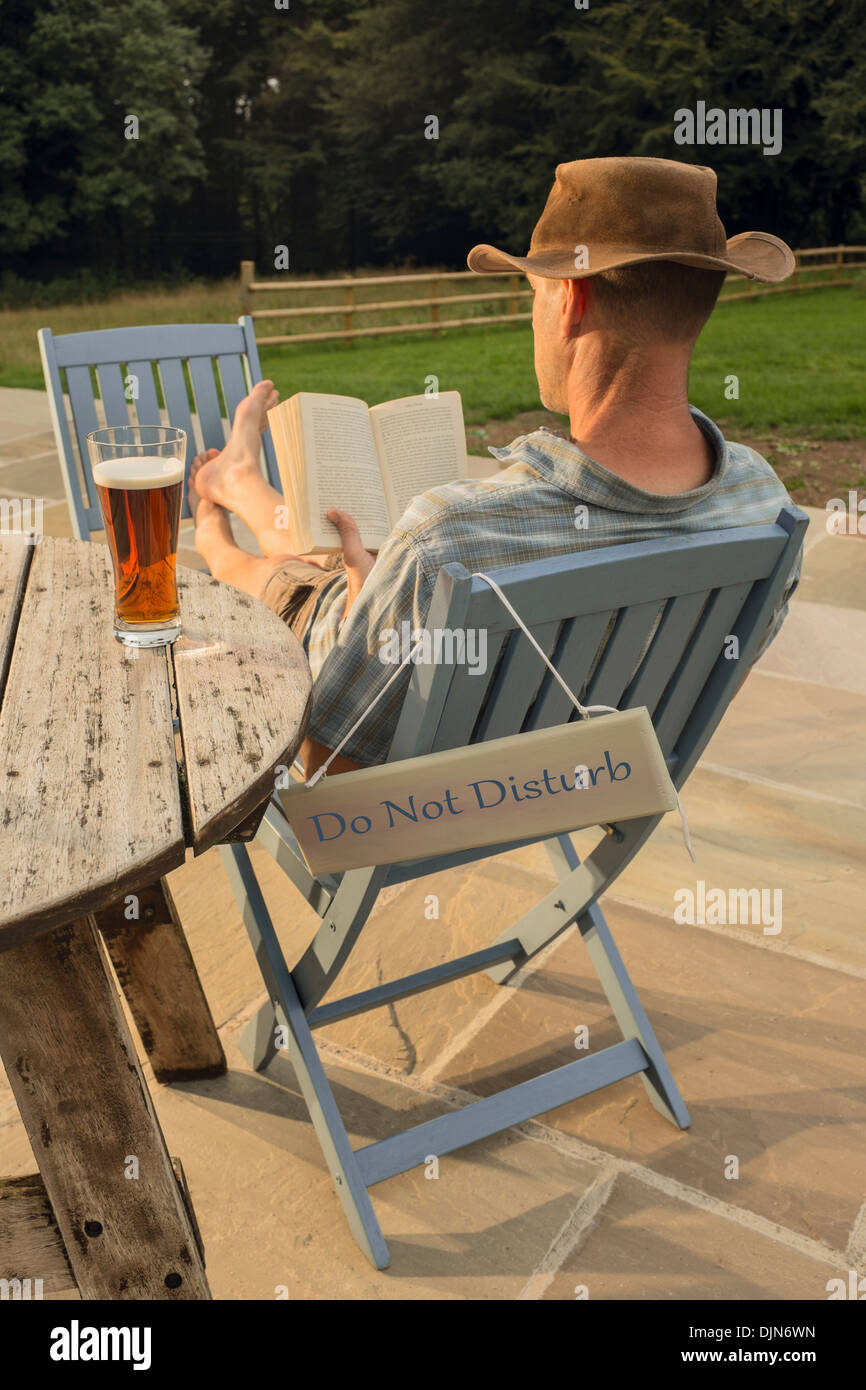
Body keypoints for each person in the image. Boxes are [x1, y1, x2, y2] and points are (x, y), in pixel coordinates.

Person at [189, 156, 799, 781]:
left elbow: (326, 774)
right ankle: (241, 481)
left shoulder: (448, 537)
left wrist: (368, 615)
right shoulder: (764, 505)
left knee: (283, 573)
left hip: (421, 795)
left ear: (570, 299)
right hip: (589, 783)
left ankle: (214, 526)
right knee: (346, 554)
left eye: (534, 293)